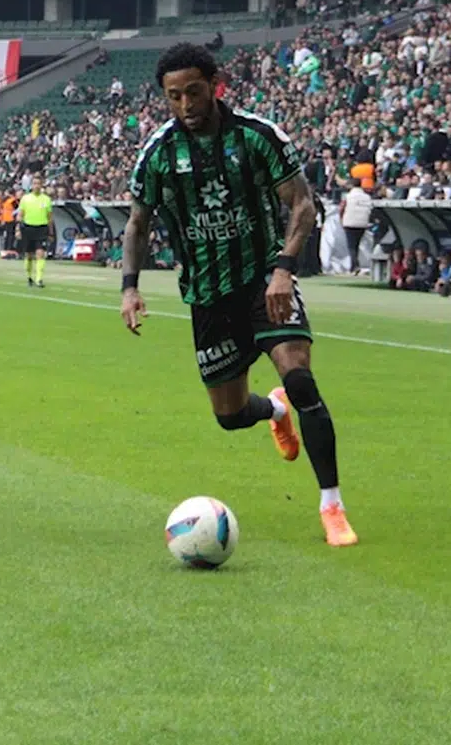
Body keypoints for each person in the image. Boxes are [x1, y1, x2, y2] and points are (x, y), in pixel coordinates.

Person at [120, 42, 357, 547]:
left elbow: (302, 204)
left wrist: (284, 269)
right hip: (208, 294)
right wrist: (130, 287)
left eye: (194, 91)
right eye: (174, 96)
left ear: (215, 84)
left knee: (301, 378)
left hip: (263, 281)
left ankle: (332, 505)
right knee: (229, 416)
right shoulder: (159, 153)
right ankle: (274, 411)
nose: (185, 104)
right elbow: (137, 224)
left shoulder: (257, 136)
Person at [17, 176, 53, 287]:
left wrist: (50, 232)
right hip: (28, 228)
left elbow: (49, 217)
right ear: (31, 185)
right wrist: (18, 229)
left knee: (40, 254)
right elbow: (20, 215)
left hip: (41, 229)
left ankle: (39, 279)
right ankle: (29, 277)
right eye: (35, 183)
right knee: (29, 255)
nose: (36, 186)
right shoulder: (25, 198)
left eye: (38, 183)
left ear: (41, 185)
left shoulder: (46, 199)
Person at [338, 178, 372, 275]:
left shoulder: (348, 196)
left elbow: (341, 208)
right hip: (362, 223)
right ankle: (353, 266)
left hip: (350, 223)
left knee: (351, 246)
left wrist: (341, 220)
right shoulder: (367, 197)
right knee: (356, 245)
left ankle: (355, 266)